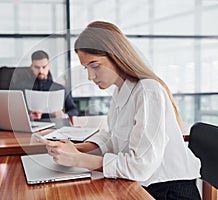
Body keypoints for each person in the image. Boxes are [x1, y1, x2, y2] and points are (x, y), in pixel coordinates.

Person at [41, 21, 202, 199]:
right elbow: (114, 140)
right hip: (142, 186)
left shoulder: (147, 91)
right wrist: (76, 149)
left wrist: (78, 159)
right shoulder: (121, 91)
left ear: (116, 55)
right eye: (86, 68)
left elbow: (139, 166)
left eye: (95, 66)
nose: (90, 76)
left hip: (167, 192)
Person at [12, 50, 79, 120]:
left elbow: (74, 110)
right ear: (32, 67)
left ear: (48, 66)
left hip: (55, 125)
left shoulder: (60, 88)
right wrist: (28, 117)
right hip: (33, 125)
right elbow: (13, 112)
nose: (41, 71)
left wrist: (64, 115)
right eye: (37, 67)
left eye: (44, 67)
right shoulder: (21, 88)